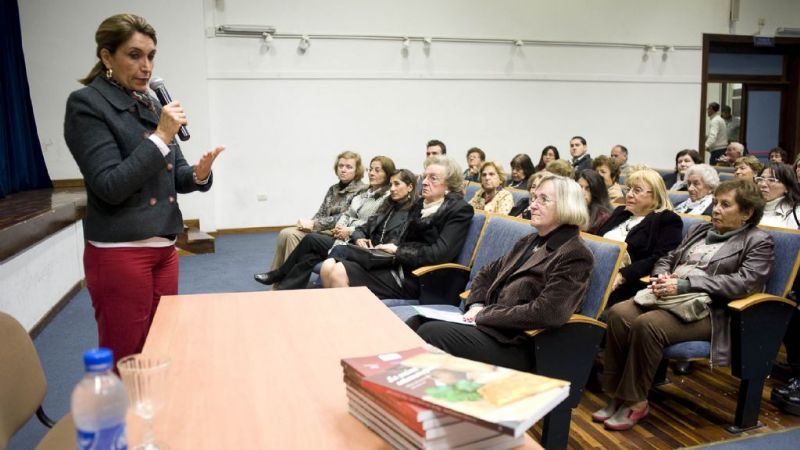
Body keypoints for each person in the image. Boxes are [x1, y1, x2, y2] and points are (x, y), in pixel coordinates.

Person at [64, 14, 224, 364]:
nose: (146, 66)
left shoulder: (151, 102)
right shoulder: (87, 104)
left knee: (163, 347)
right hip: (121, 252)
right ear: (107, 57)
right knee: (128, 357)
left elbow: (176, 174)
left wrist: (198, 175)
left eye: (151, 56)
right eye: (134, 55)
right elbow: (110, 185)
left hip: (165, 247)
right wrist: (162, 134)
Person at [595, 179, 773, 430]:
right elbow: (668, 257)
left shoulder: (758, 241)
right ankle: (616, 394)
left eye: (725, 205)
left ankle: (635, 401)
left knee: (648, 325)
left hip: (712, 310)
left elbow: (745, 282)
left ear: (747, 213)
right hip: (671, 296)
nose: (716, 209)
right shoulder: (700, 230)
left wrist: (687, 284)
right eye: (715, 203)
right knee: (618, 313)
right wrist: (661, 276)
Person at [406, 175, 594, 371]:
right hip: (490, 328)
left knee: (431, 333)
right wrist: (477, 305)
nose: (533, 205)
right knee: (416, 321)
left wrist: (484, 314)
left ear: (566, 206)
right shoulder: (530, 241)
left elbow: (547, 312)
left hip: (518, 343)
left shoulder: (575, 254)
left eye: (543, 200)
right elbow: (487, 272)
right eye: (534, 198)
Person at [320, 156, 473, 299]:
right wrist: (384, 248)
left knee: (340, 272)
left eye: (433, 178)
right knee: (330, 267)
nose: (425, 182)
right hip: (398, 266)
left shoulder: (459, 210)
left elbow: (439, 254)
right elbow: (400, 236)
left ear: (449, 184)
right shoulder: (421, 204)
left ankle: (352, 318)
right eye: (425, 177)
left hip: (422, 278)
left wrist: (397, 250)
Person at [254, 156, 395, 288]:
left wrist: (348, 230)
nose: (371, 173)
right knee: (308, 256)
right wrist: (339, 227)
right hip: (340, 235)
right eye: (370, 169)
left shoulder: (385, 198)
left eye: (377, 170)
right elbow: (347, 214)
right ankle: (286, 289)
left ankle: (279, 274)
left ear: (387, 174)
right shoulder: (363, 194)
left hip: (356, 240)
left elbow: (371, 223)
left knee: (310, 239)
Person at [595, 169, 683, 307]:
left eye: (637, 190)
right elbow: (597, 240)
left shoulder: (667, 220)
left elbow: (660, 258)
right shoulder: (621, 212)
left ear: (655, 195)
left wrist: (623, 275)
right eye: (628, 189)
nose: (629, 194)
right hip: (596, 269)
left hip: (628, 283)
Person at [269, 151, 366, 271]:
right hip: (323, 229)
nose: (343, 170)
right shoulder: (333, 189)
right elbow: (322, 212)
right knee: (284, 233)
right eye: (341, 166)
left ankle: (288, 278)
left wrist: (314, 224)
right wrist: (308, 224)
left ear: (357, 171)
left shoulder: (362, 190)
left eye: (349, 167)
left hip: (339, 233)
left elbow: (344, 217)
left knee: (291, 235)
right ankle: (275, 275)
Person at [757, 162, 800, 230]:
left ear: (787, 187)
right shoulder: (748, 209)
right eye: (760, 179)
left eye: (771, 180)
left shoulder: (796, 214)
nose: (763, 184)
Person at [577, 170, 613, 234]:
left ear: (596, 192)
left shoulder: (603, 217)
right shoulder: (569, 208)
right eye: (579, 187)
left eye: (588, 189)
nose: (582, 192)